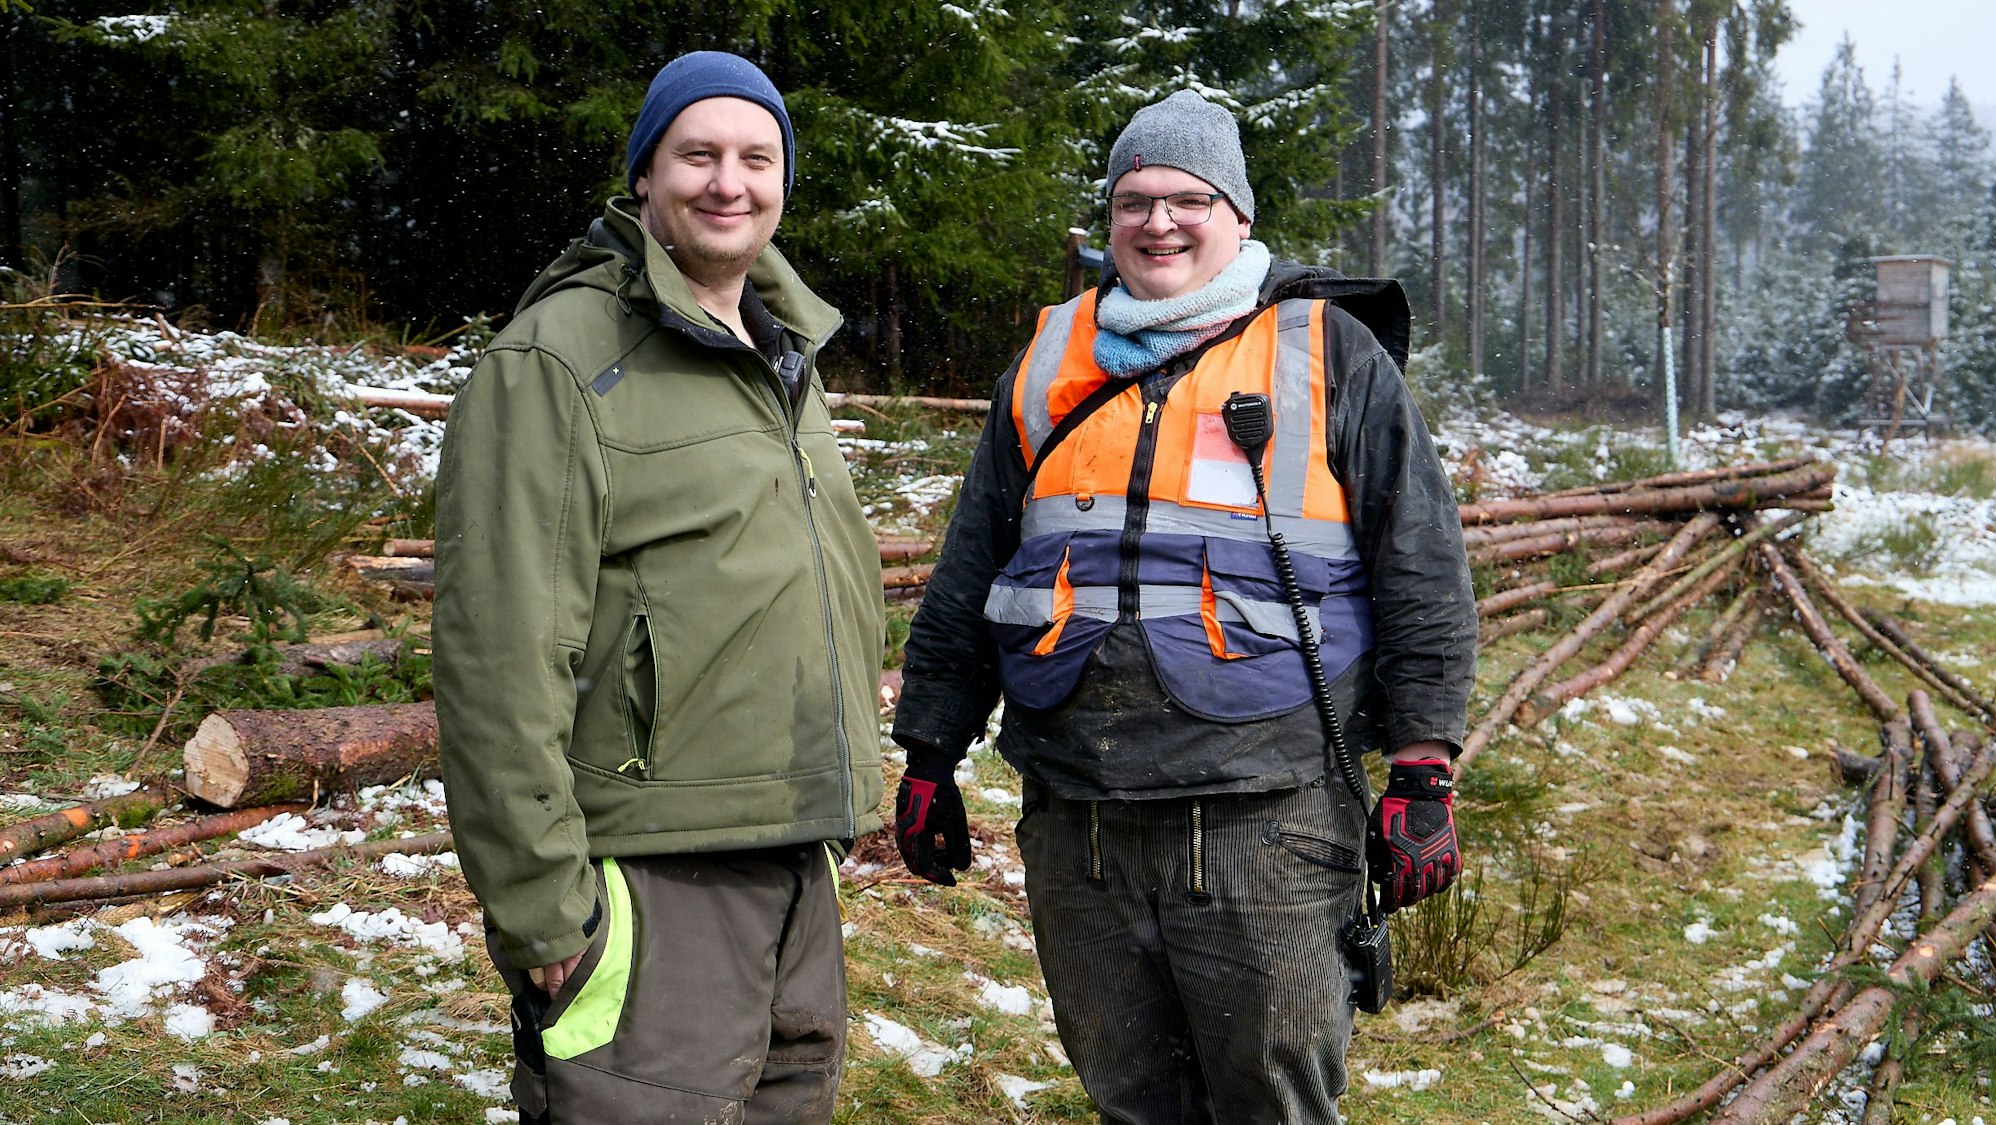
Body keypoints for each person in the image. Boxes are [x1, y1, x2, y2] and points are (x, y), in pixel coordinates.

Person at [889, 89, 1476, 1123]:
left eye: (1187, 198)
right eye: (1132, 201)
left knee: (1270, 1106)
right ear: (1106, 220)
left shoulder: (1329, 354)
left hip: (1267, 817)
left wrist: (1422, 766)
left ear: (1236, 216)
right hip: (1077, 821)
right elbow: (975, 562)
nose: (1157, 222)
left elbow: (1419, 566)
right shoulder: (1042, 363)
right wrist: (930, 749)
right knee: (1130, 1101)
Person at [432, 51, 883, 1125]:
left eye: (755, 158)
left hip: (791, 854)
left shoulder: (777, 351)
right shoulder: (559, 359)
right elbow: (499, 652)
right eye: (697, 154)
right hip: (645, 874)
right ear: (644, 175)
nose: (728, 182)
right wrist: (543, 909)